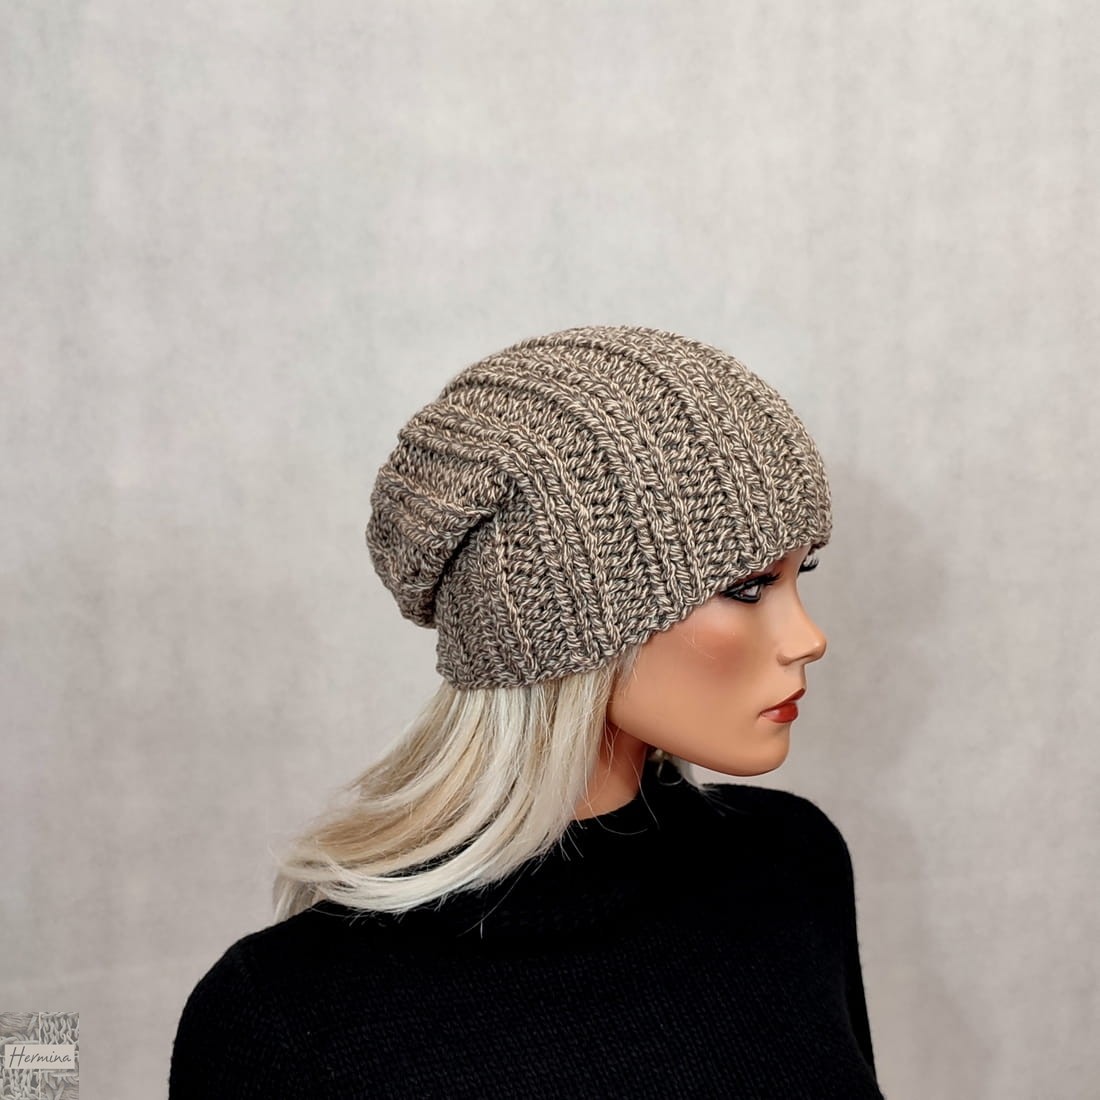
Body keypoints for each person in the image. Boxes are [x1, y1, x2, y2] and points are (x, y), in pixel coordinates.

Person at [168, 325, 883, 1098]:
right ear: (564, 629)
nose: (808, 638)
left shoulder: (791, 865)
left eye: (801, 572)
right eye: (747, 587)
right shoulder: (289, 1015)